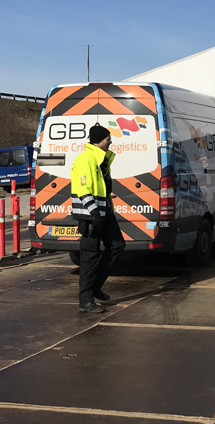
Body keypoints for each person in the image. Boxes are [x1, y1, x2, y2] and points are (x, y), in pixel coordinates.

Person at [70, 124, 125, 314]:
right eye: (108, 139)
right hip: (91, 216)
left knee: (118, 245)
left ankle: (95, 286)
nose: (111, 142)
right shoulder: (86, 159)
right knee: (90, 257)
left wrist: (106, 210)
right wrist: (94, 212)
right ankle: (85, 300)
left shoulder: (101, 160)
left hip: (104, 213)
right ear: (99, 140)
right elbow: (82, 188)